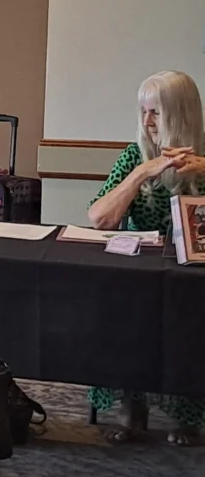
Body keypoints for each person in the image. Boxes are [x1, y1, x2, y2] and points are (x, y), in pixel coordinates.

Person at [87, 69, 205, 446]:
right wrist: (142, 173)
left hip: (195, 276)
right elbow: (100, 218)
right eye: (143, 111)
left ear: (181, 114)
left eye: (156, 112)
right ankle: (131, 406)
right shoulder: (134, 156)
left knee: (191, 316)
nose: (147, 121)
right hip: (142, 275)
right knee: (123, 310)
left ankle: (189, 413)